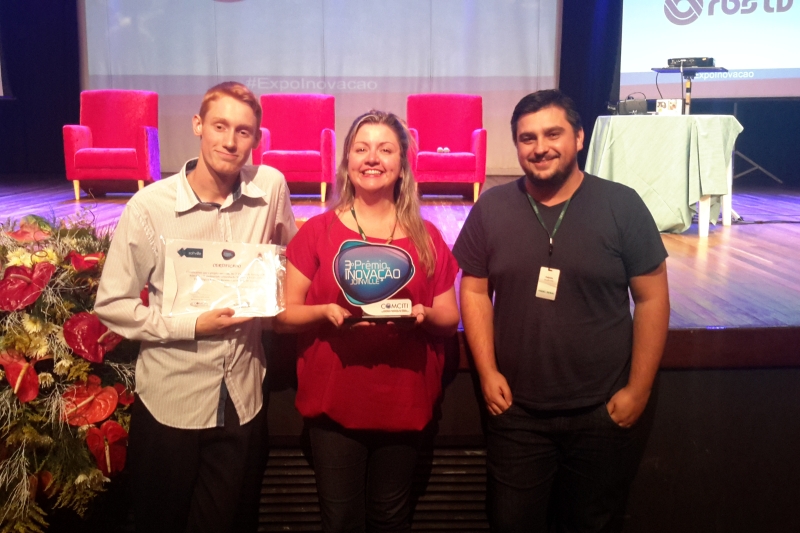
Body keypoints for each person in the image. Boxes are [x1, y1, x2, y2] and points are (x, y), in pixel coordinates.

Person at [453, 89, 670, 533]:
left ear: (580, 138)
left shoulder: (621, 205)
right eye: (527, 138)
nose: (540, 147)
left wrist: (639, 391)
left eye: (553, 134)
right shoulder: (492, 207)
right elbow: (473, 291)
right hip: (516, 414)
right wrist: (488, 372)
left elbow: (652, 299)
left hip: (601, 412)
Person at [94, 81, 297, 533]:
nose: (230, 141)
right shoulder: (150, 207)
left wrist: (275, 292)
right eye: (220, 126)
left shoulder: (270, 188)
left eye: (243, 131)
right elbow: (112, 304)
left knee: (229, 522)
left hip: (243, 396)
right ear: (198, 126)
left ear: (257, 139)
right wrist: (191, 325)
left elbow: (290, 256)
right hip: (173, 398)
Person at [275, 110, 460, 532]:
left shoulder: (427, 237)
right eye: (361, 149)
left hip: (404, 403)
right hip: (334, 404)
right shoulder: (317, 232)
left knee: (391, 519)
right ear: (346, 162)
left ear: (402, 164)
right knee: (340, 520)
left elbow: (449, 318)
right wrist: (324, 313)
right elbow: (284, 315)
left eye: (385, 149)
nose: (372, 158)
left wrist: (425, 315)